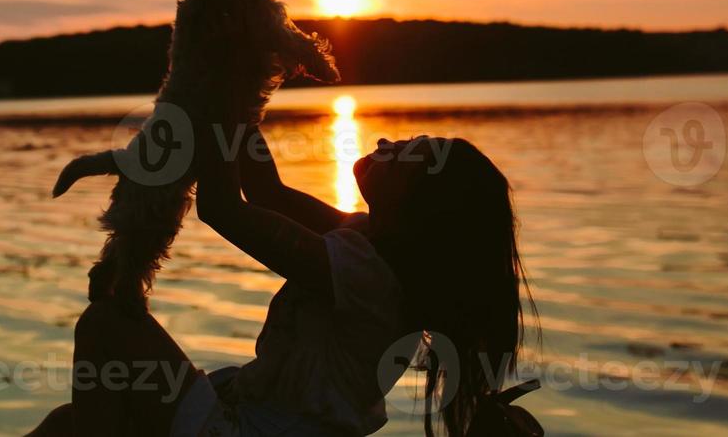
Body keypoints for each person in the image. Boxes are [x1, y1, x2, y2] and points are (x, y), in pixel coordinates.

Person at [27, 125, 534, 436]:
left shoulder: (370, 278)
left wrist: (211, 115)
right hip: (245, 412)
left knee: (106, 325)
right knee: (66, 425)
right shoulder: (364, 238)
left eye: (405, 151)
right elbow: (265, 189)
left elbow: (223, 207)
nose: (385, 141)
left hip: (251, 433)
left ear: (416, 213)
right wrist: (235, 88)